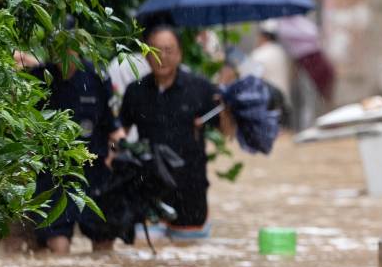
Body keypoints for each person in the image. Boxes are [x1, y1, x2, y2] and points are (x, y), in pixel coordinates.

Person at [118, 25, 231, 231]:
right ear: (146, 54)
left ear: (179, 54)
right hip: (148, 189)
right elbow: (119, 134)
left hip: (190, 189)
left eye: (169, 50)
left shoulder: (200, 88)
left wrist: (227, 103)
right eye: (156, 50)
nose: (162, 56)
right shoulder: (135, 91)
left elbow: (226, 130)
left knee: (188, 254)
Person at [12, 50, 126, 253]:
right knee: (58, 243)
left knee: (103, 241)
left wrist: (121, 155)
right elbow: (25, 125)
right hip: (53, 174)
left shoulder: (97, 75)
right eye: (58, 46)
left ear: (80, 46)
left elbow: (112, 124)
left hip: (94, 173)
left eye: (69, 47)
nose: (63, 54)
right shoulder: (39, 76)